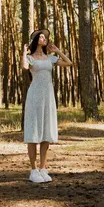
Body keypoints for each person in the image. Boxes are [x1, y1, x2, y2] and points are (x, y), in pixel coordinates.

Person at [21, 29, 72, 183]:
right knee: (34, 132)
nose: (44, 38)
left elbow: (69, 63)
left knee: (46, 133)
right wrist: (24, 52)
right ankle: (33, 170)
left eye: (45, 36)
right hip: (34, 97)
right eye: (41, 36)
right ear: (36, 40)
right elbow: (24, 66)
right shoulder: (30, 58)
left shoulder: (50, 58)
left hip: (48, 97)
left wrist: (58, 51)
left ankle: (43, 168)